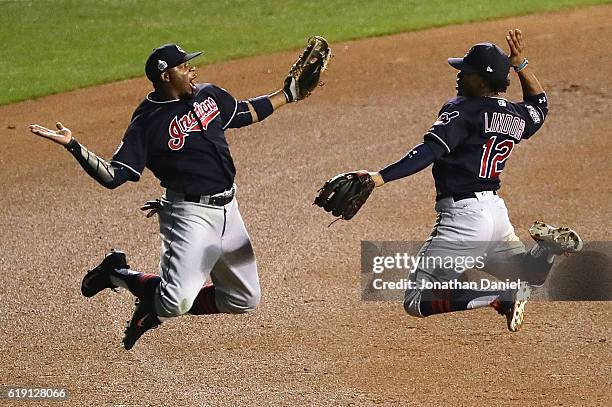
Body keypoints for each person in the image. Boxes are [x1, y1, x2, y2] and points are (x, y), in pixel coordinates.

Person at [29, 43, 322, 349]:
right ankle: (116, 272)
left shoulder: (208, 94)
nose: (192, 70)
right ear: (167, 76)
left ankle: (151, 301)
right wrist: (73, 145)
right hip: (189, 215)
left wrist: (287, 95)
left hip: (229, 210)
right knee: (173, 304)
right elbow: (113, 176)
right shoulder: (147, 122)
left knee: (244, 298)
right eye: (184, 67)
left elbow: (243, 112)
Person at [359, 29, 582, 331]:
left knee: (416, 299)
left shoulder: (462, 110)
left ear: (481, 79)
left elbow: (429, 152)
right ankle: (547, 250)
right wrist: (521, 64)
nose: (460, 76)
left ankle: (500, 298)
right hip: (494, 214)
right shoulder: (515, 115)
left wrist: (379, 177)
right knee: (527, 274)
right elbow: (539, 105)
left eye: (467, 71)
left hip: (464, 219)